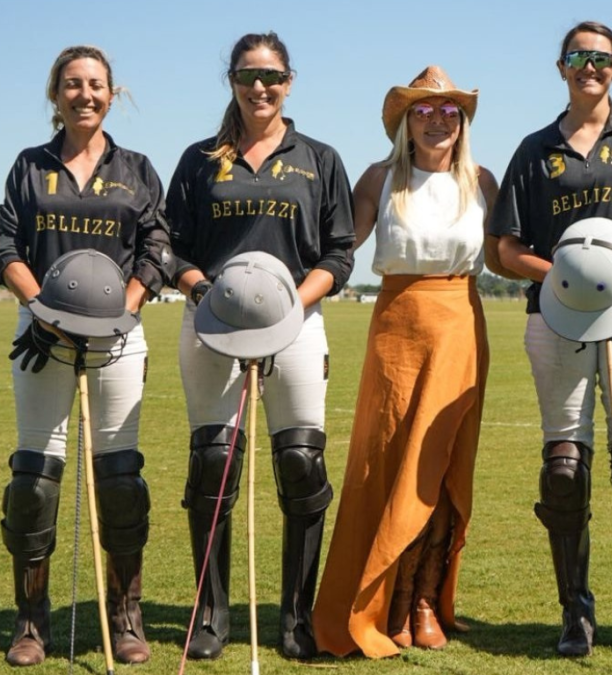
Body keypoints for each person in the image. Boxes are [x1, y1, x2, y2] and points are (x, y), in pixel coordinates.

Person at [488, 21, 612, 661]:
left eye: (600, 58)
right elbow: (504, 250)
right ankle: (576, 614)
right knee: (564, 470)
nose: (588, 67)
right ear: (561, 66)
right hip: (555, 322)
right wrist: (564, 279)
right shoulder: (535, 148)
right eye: (577, 57)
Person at [165, 32, 354, 661]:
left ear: (290, 81)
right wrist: (203, 293)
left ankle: (296, 618)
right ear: (233, 82)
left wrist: (288, 308)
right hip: (212, 327)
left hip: (298, 325)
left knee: (302, 465)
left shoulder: (319, 158)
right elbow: (173, 248)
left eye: (271, 76)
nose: (260, 87)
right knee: (214, 463)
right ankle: (210, 614)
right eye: (248, 76)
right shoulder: (200, 159)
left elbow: (338, 251)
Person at [312, 65, 503, 658]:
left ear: (462, 120)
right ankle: (386, 601)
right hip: (396, 327)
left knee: (444, 467)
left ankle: (423, 599)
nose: (438, 119)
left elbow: (507, 254)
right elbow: (338, 247)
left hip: (461, 324)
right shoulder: (378, 178)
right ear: (405, 121)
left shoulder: (484, 181)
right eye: (424, 110)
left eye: (450, 110)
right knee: (388, 461)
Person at [0, 45, 171, 666]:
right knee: (34, 482)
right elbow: (5, 244)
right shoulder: (29, 165)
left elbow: (156, 247)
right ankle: (30, 621)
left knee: (120, 478)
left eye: (96, 84)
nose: (85, 95)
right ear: (56, 94)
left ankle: (125, 617)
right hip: (41, 335)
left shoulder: (137, 167)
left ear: (112, 92)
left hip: (118, 337)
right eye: (73, 85)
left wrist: (122, 310)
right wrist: (43, 309)